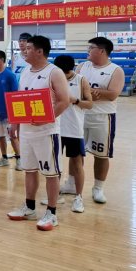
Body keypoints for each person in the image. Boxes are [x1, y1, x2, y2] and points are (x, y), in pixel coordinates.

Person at [7, 35, 69, 231]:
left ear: (40, 51)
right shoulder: (26, 71)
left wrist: (47, 118)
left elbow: (64, 101)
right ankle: (29, 207)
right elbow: (19, 100)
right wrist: (15, 123)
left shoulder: (54, 72)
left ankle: (51, 213)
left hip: (47, 131)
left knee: (51, 173)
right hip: (27, 131)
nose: (24, 50)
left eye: (29, 48)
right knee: (29, 170)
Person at [76, 37, 125, 204]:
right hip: (81, 114)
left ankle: (98, 188)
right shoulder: (82, 66)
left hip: (103, 117)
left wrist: (89, 91)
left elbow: (113, 94)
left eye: (92, 47)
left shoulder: (115, 70)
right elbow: (74, 87)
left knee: (101, 155)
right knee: (76, 153)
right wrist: (91, 93)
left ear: (102, 51)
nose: (88, 50)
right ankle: (71, 183)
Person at [53, 55, 93, 213]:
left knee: (77, 164)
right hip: (56, 127)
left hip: (74, 128)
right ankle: (54, 194)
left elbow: (89, 104)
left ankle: (79, 197)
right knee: (55, 163)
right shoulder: (53, 79)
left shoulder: (81, 80)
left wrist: (75, 100)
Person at [0, 50, 21, 170]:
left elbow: (15, 95)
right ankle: (4, 158)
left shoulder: (9, 75)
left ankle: (19, 159)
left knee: (13, 136)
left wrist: (14, 114)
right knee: (0, 136)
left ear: (2, 60)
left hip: (9, 113)